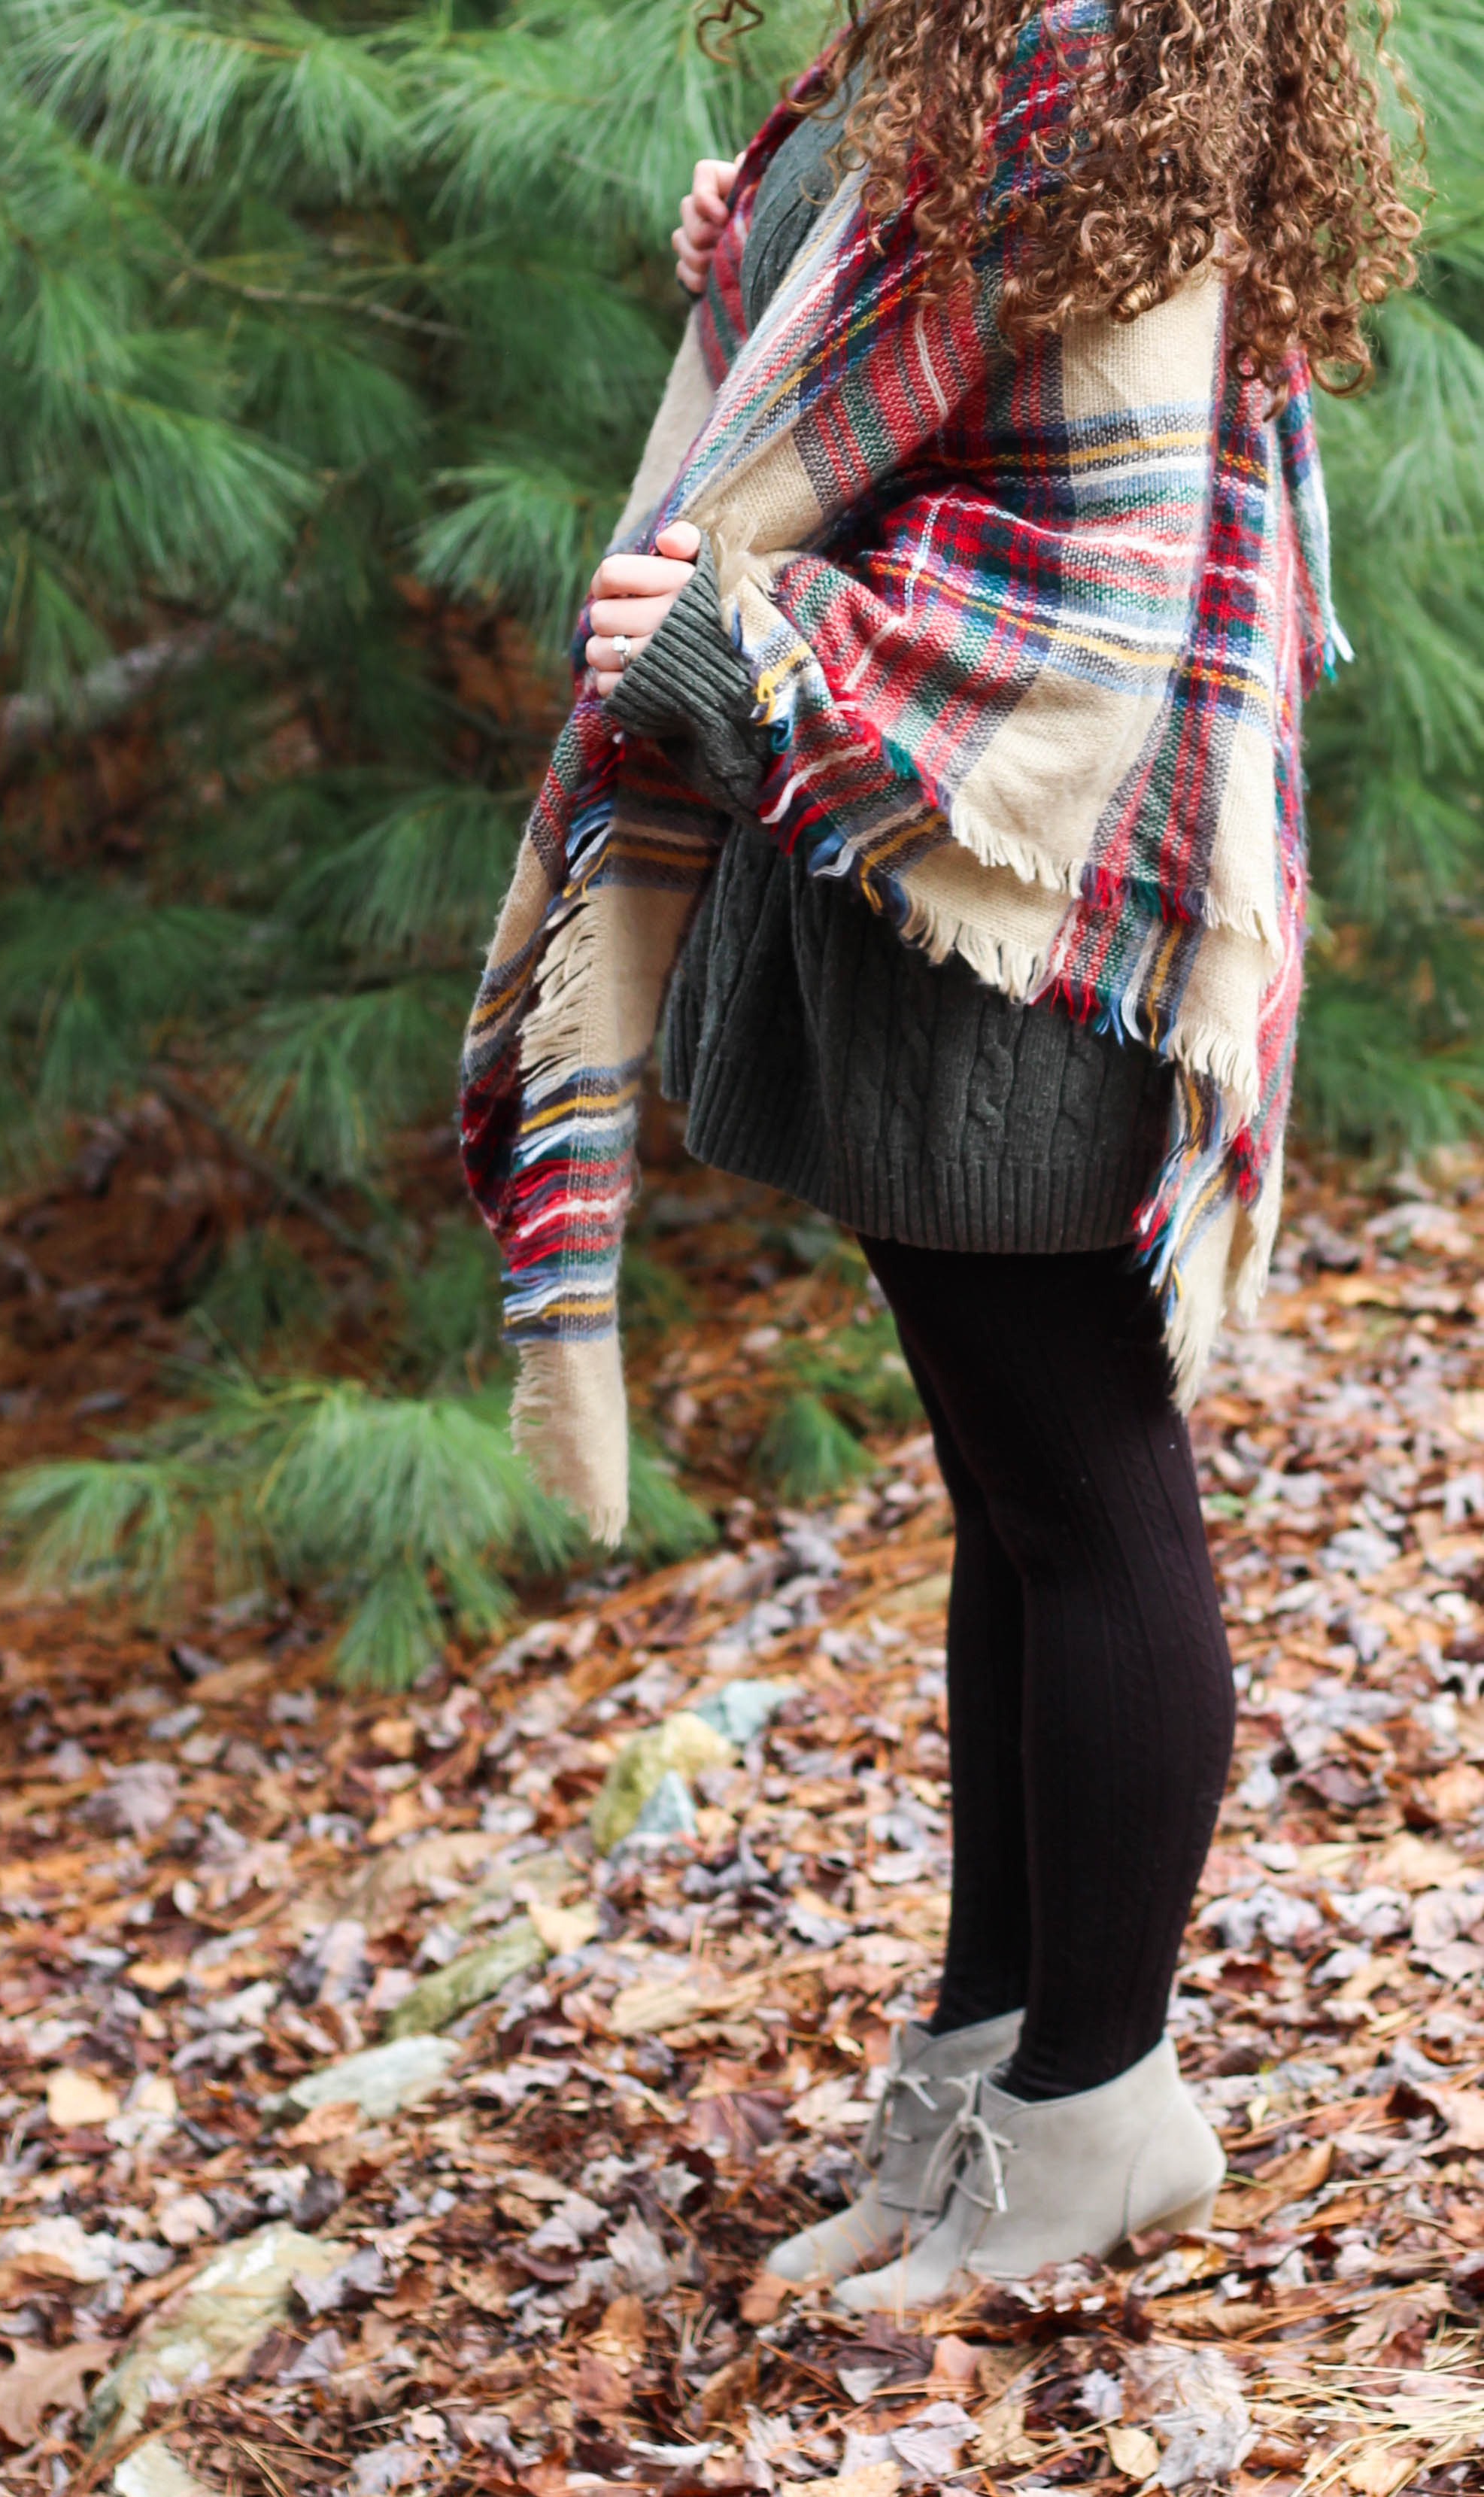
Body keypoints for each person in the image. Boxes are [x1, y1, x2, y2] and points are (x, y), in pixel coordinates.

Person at [463, 0, 1419, 2310]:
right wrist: (763, 256)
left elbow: (1095, 584)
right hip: (918, 901)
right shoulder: (980, 47)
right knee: (1014, 1495)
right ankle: (996, 2068)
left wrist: (746, 640)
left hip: (1031, 899)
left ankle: (1102, 2109)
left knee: (1083, 1492)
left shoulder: (1087, 55)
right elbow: (919, 370)